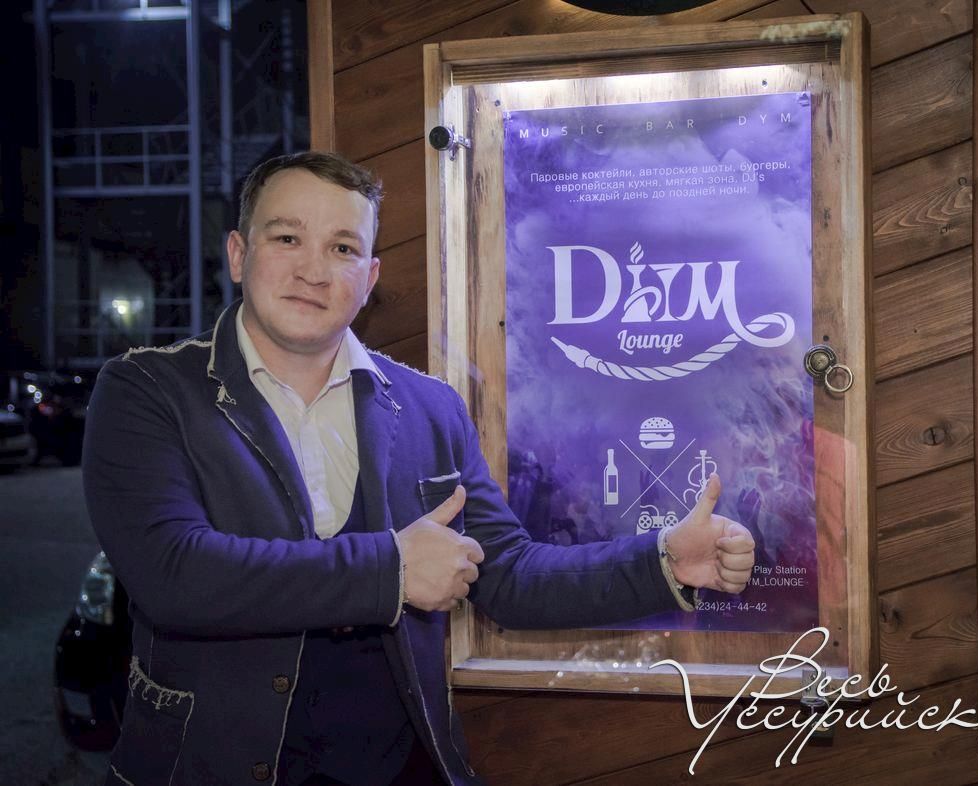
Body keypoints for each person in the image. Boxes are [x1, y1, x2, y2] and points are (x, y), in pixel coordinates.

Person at [82, 151, 755, 786]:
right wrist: (394, 569)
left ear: (369, 278)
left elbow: (508, 575)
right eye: (286, 238)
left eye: (343, 248)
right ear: (238, 253)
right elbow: (175, 575)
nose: (313, 270)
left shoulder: (430, 407)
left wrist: (661, 561)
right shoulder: (148, 390)